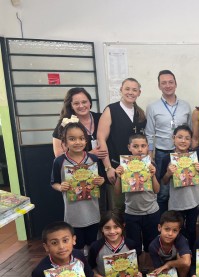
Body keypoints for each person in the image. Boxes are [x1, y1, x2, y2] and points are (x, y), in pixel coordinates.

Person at [50, 121, 105, 253]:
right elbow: (54, 183)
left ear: (86, 141)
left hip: (93, 212)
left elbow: (101, 179)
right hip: (73, 215)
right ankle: (81, 268)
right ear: (64, 142)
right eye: (72, 139)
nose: (77, 142)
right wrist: (60, 187)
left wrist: (100, 181)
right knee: (77, 247)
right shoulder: (59, 161)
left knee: (93, 245)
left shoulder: (93, 159)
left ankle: (92, 270)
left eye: (81, 138)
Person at [145, 70, 192, 214]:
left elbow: (189, 131)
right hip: (162, 154)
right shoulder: (152, 107)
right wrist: (150, 157)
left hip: (183, 154)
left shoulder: (185, 106)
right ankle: (165, 224)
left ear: (176, 84)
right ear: (159, 86)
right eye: (163, 83)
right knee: (163, 192)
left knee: (183, 188)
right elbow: (149, 133)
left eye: (170, 82)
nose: (167, 85)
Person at [88, 211, 149, 277]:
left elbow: (135, 267)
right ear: (102, 229)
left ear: (123, 226)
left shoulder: (131, 244)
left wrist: (138, 274)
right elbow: (90, 269)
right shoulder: (96, 247)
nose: (112, 231)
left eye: (116, 227)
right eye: (107, 228)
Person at [114, 134, 161, 261]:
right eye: (135, 146)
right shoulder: (124, 166)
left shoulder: (151, 165)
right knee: (133, 246)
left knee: (151, 244)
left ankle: (150, 271)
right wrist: (118, 176)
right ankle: (138, 272)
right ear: (129, 147)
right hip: (131, 213)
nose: (140, 150)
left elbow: (157, 190)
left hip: (151, 211)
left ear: (147, 148)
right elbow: (117, 192)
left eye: (143, 146)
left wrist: (153, 175)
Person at [160, 125, 199, 249]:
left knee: (191, 229)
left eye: (187, 138)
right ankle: (179, 252)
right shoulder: (166, 158)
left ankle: (190, 254)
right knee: (177, 229)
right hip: (177, 202)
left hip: (193, 200)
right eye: (180, 137)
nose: (183, 141)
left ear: (191, 141)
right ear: (173, 138)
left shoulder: (195, 156)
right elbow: (163, 181)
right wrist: (168, 173)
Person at [97, 78, 147, 187]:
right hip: (116, 166)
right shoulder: (111, 110)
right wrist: (108, 167)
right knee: (118, 202)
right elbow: (101, 139)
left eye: (134, 90)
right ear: (121, 90)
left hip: (137, 168)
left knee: (135, 201)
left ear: (139, 93)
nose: (130, 92)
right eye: (127, 89)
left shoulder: (141, 113)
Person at [148, 211, 192, 277]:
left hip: (180, 271)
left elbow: (186, 262)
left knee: (184, 260)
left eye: (175, 230)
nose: (170, 234)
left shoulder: (181, 240)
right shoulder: (153, 246)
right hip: (164, 270)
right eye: (167, 229)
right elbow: (158, 269)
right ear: (159, 228)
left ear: (179, 231)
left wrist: (169, 264)